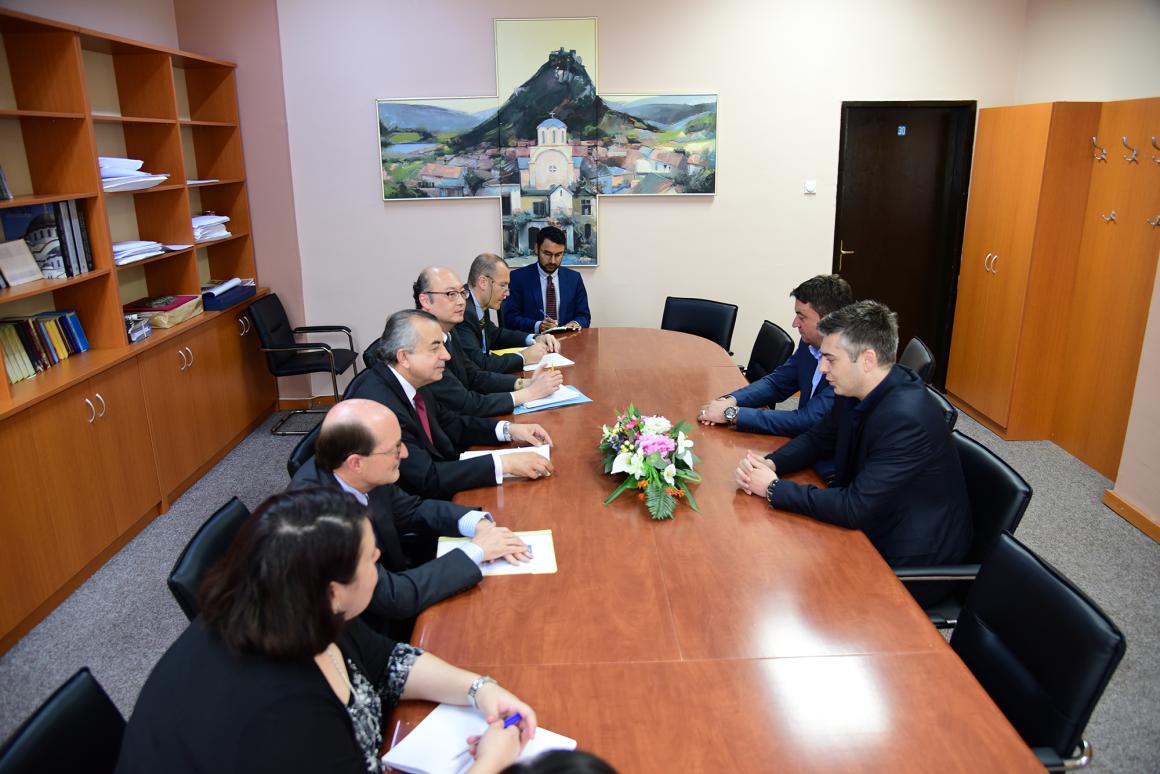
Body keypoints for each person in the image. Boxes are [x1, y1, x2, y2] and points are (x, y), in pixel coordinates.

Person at [116, 488, 536, 774]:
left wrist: (480, 689)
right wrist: (490, 764)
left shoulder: (291, 601)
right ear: (333, 590)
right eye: (370, 559)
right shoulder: (284, 715)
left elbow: (387, 662)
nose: (379, 555)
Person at [733, 300, 972, 569]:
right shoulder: (857, 386)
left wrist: (773, 488)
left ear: (867, 360)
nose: (822, 368)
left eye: (831, 359)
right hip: (875, 520)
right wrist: (771, 463)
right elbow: (818, 438)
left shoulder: (906, 420)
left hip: (911, 557)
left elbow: (854, 507)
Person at [288, 399, 531, 636]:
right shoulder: (320, 520)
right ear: (356, 463)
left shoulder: (361, 471)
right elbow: (393, 597)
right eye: (395, 448)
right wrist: (477, 551)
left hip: (399, 579)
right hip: (367, 631)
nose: (404, 453)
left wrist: (478, 524)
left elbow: (412, 510)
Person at [348, 309, 555, 499]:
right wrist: (504, 463)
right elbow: (426, 478)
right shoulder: (381, 407)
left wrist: (509, 430)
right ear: (403, 357)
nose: (446, 356)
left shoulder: (412, 379)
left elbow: (449, 423)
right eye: (435, 347)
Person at [699, 275, 852, 480]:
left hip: (828, 468)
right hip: (798, 447)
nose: (795, 323)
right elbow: (778, 383)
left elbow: (807, 420)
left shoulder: (847, 362)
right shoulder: (809, 343)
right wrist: (730, 400)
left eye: (802, 317)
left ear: (828, 320)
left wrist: (732, 414)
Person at [416, 266, 563, 417]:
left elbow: (474, 376)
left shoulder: (449, 332)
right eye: (451, 294)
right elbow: (467, 404)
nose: (461, 301)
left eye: (462, 293)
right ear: (425, 300)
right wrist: (530, 393)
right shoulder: (422, 347)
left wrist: (526, 383)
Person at [458, 252, 561, 374]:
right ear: (483, 282)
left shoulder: (478, 303)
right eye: (503, 285)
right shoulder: (462, 311)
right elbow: (480, 364)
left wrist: (535, 338)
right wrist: (523, 357)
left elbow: (495, 335)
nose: (507, 293)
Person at [502, 226, 591, 333]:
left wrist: (575, 323)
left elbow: (584, 315)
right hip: (533, 341)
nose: (552, 261)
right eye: (547, 254)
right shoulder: (518, 278)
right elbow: (510, 319)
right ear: (537, 248)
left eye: (558, 255)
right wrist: (538, 325)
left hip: (567, 340)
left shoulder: (574, 278)